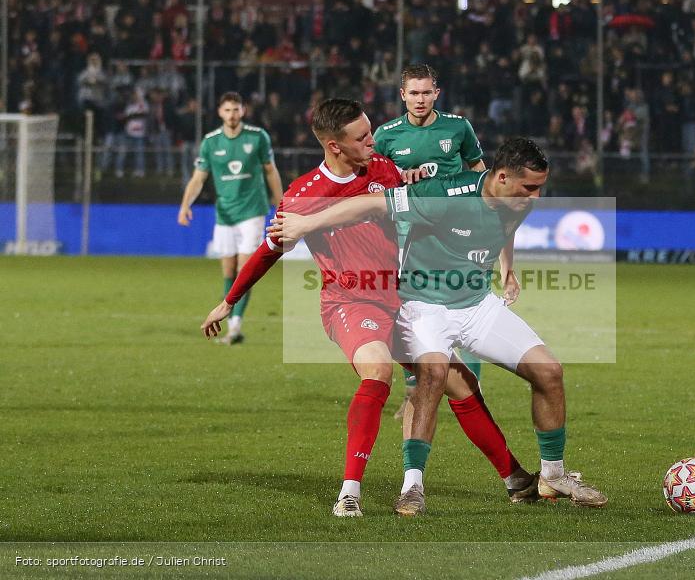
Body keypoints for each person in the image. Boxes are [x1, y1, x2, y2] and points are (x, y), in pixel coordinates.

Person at [201, 99, 537, 518]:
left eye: (370, 130)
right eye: (361, 137)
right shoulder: (303, 195)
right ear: (334, 146)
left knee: (460, 382)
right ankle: (349, 492)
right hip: (350, 300)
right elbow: (269, 250)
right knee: (377, 371)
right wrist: (228, 301)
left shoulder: (383, 169)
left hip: (403, 297)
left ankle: (517, 480)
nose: (372, 140)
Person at [269, 137, 607, 516]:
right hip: (423, 306)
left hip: (477, 305)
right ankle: (412, 487)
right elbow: (371, 203)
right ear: (500, 178)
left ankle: (553, 475)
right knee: (431, 376)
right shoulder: (444, 194)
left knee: (549, 372)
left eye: (540, 187)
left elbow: (504, 228)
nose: (537, 196)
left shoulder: (518, 200)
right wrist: (308, 222)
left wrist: (507, 269)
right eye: (529, 187)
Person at [373, 63, 487, 420]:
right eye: (414, 93)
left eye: (427, 92)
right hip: (408, 236)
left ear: (436, 93)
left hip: (457, 234)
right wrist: (398, 178)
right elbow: (374, 182)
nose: (420, 100)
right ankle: (417, 388)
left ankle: (470, 395)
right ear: (402, 95)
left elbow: (478, 170)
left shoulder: (457, 127)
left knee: (467, 308)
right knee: (411, 312)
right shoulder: (386, 134)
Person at [179, 92, 283, 345]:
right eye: (227, 110)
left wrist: (282, 204)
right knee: (228, 270)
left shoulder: (257, 137)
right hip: (224, 214)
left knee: (244, 269)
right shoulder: (211, 142)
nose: (232, 115)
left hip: (252, 212)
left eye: (236, 110)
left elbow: (271, 171)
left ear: (243, 111)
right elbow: (198, 178)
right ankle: (231, 322)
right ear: (220, 113)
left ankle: (235, 326)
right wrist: (185, 205)